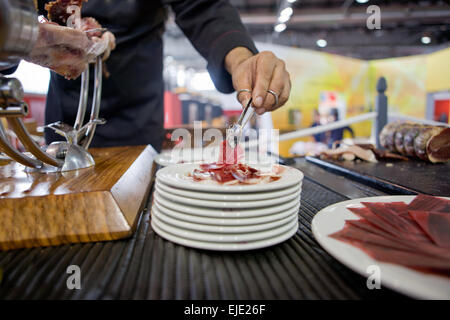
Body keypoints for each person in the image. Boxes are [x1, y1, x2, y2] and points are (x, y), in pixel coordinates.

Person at [29, 0, 291, 152]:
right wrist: (19, 37)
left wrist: (242, 60)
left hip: (138, 111)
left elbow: (202, 6)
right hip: (66, 113)